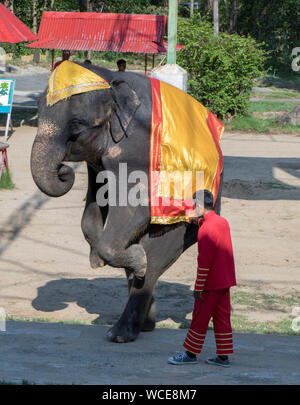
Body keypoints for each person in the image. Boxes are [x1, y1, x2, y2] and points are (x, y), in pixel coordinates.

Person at [168, 190, 236, 367]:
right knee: (222, 318)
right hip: (225, 281)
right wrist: (198, 221)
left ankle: (190, 354)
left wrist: (198, 287)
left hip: (210, 284)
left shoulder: (205, 230)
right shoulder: (222, 222)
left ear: (199, 205)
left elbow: (204, 262)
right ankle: (223, 357)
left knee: (200, 318)